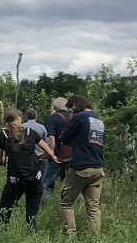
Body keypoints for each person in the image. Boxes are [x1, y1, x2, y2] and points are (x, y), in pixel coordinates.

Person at [0, 107, 58, 232]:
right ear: (18, 118)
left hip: (14, 181)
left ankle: (0, 239)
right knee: (31, 217)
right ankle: (34, 240)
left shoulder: (3, 135)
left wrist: (11, 159)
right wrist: (36, 157)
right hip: (34, 179)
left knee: (4, 213)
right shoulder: (31, 132)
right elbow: (50, 153)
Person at [59, 95, 106, 235]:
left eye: (70, 111)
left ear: (74, 105)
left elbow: (65, 139)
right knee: (93, 207)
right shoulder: (98, 120)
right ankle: (94, 240)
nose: (70, 115)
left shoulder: (79, 117)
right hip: (98, 168)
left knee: (66, 202)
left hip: (81, 167)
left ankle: (70, 236)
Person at [41, 97, 72, 201]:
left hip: (57, 157)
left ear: (55, 107)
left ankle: (44, 206)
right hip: (70, 158)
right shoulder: (73, 118)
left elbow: (51, 137)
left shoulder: (53, 118)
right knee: (68, 185)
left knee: (47, 185)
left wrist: (51, 154)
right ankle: (69, 206)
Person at [23, 107, 50, 182]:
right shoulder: (42, 127)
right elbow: (46, 142)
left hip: (25, 158)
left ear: (26, 116)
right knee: (42, 178)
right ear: (36, 116)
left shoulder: (21, 127)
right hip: (39, 156)